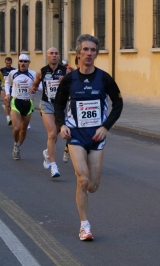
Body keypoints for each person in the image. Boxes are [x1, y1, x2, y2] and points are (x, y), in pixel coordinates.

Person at [54, 34, 123, 241]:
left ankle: (83, 189)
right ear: (78, 53)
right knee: (82, 179)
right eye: (85, 50)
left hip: (97, 136)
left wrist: (105, 127)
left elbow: (118, 104)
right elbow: (58, 105)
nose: (89, 54)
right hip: (75, 134)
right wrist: (62, 125)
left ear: (96, 54)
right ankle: (84, 225)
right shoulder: (69, 79)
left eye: (93, 50)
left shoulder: (104, 78)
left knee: (92, 185)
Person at [30, 47, 70, 178]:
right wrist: (33, 89)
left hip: (61, 105)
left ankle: (47, 153)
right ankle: (54, 166)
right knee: (52, 134)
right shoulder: (41, 72)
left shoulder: (66, 71)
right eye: (51, 54)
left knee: (57, 132)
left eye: (56, 53)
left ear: (59, 57)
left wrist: (65, 83)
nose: (54, 55)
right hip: (47, 104)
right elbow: (35, 85)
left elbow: (74, 85)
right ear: (47, 57)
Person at [4, 54, 36, 160]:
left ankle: (17, 147)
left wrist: (35, 88)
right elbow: (7, 83)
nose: (23, 63)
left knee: (23, 130)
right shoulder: (13, 73)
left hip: (28, 102)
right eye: (21, 61)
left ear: (29, 63)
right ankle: (15, 143)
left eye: (25, 61)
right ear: (18, 62)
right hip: (16, 102)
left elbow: (39, 86)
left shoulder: (33, 74)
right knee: (16, 128)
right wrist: (8, 93)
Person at [63, 56, 80, 164]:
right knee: (73, 129)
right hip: (72, 106)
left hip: (87, 109)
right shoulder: (71, 76)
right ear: (77, 64)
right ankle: (67, 149)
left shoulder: (93, 75)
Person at [1, 57, 16, 125]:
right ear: (5, 62)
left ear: (11, 63)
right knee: (7, 104)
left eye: (9, 63)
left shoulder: (14, 70)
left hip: (12, 89)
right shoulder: (1, 70)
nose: (8, 64)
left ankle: (10, 114)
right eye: (7, 63)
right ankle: (8, 118)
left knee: (12, 105)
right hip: (4, 89)